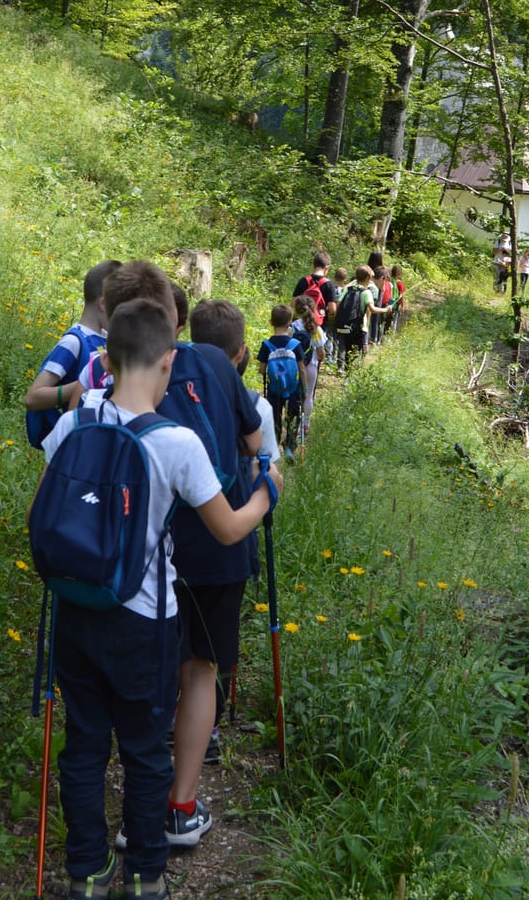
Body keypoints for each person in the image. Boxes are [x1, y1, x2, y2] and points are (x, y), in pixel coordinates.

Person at [38, 297, 276, 900]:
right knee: (145, 750)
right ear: (169, 361)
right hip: (144, 621)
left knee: (85, 743)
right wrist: (266, 493)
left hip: (75, 612)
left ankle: (87, 871)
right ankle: (147, 875)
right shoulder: (175, 443)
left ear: (107, 358)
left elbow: (45, 511)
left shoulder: (74, 423)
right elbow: (226, 528)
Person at [74, 262, 264, 849]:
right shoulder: (209, 360)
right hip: (213, 541)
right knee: (200, 670)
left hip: (129, 560)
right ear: (174, 317)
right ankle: (176, 808)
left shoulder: (94, 400)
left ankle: (109, 832)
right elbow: (255, 443)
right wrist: (267, 486)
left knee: (141, 690)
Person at [186, 300, 283, 764]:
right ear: (242, 352)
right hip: (230, 532)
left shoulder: (168, 384)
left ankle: (171, 719)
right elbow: (264, 457)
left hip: (173, 538)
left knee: (179, 637)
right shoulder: (255, 405)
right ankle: (209, 727)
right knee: (216, 647)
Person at [24, 259, 121, 444]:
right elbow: (32, 398)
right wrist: (83, 385)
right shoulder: (73, 342)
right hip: (69, 441)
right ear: (103, 304)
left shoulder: (107, 338)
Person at [257, 303, 307, 457]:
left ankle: (275, 443)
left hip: (273, 390)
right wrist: (304, 388)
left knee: (275, 417)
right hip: (293, 389)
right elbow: (302, 369)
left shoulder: (267, 345)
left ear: (271, 322)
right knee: (293, 415)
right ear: (289, 323)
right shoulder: (295, 345)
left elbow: (262, 369)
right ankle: (289, 446)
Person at [336, 266, 389, 371]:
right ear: (367, 279)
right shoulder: (366, 292)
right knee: (355, 353)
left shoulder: (347, 290)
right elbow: (372, 309)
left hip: (344, 324)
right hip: (359, 327)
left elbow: (338, 304)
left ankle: (341, 368)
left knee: (345, 348)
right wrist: (386, 310)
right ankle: (349, 376)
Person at [291, 293, 326, 440]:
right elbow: (321, 353)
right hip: (310, 366)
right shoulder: (315, 329)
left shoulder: (292, 327)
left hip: (294, 367)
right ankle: (305, 425)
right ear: (313, 309)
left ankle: (292, 422)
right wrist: (320, 360)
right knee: (308, 395)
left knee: (294, 395)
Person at [292, 252, 340, 329]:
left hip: (301, 324)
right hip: (318, 325)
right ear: (327, 267)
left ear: (313, 265)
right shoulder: (329, 284)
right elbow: (332, 310)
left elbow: (293, 303)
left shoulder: (303, 281)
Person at [389, 264, 406, 334]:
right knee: (394, 321)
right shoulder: (400, 284)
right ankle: (392, 334)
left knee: (387, 320)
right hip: (395, 305)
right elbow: (401, 296)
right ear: (400, 274)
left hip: (388, 304)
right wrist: (402, 306)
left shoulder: (389, 281)